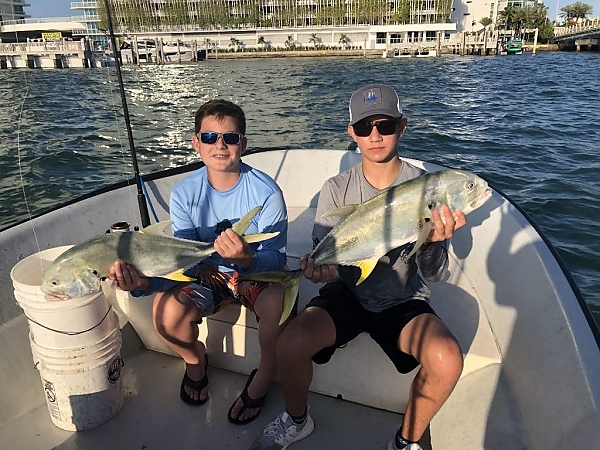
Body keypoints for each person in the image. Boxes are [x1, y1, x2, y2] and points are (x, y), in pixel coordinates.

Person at [250, 84, 466, 450]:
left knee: (447, 359)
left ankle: (405, 441)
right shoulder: (336, 189)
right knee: (289, 344)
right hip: (347, 290)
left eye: (385, 125)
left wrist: (431, 242)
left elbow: (432, 274)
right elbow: (328, 258)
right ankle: (296, 421)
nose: (376, 135)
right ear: (352, 133)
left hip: (403, 297)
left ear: (402, 126)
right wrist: (322, 269)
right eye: (365, 127)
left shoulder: (425, 188)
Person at [108, 99, 289, 425]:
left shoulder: (267, 193)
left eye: (230, 138)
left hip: (254, 273)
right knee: (165, 315)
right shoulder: (184, 194)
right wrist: (144, 284)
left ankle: (264, 375)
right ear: (197, 143)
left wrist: (246, 258)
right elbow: (185, 263)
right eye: (209, 137)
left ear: (243, 145)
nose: (220, 145)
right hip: (207, 273)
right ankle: (195, 361)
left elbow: (276, 258)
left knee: (277, 305)